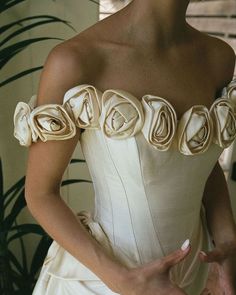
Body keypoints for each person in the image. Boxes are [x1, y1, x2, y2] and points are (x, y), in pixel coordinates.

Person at [13, 0, 236, 294]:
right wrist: (120, 279)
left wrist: (228, 243)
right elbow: (40, 193)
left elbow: (200, 167)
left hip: (196, 277)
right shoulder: (76, 61)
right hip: (105, 280)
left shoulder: (218, 58)